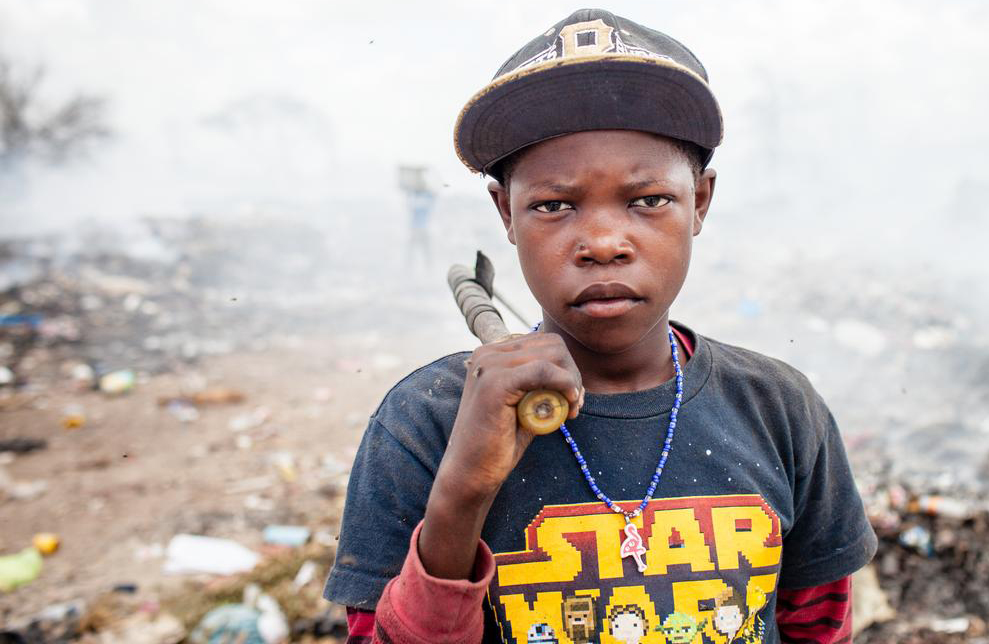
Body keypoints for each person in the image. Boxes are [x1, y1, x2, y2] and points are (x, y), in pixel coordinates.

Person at [324, 8, 876, 643]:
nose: (605, 242)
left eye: (648, 201)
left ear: (700, 201)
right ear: (506, 213)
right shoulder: (426, 421)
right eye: (554, 205)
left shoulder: (778, 409)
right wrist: (461, 496)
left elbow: (818, 624)